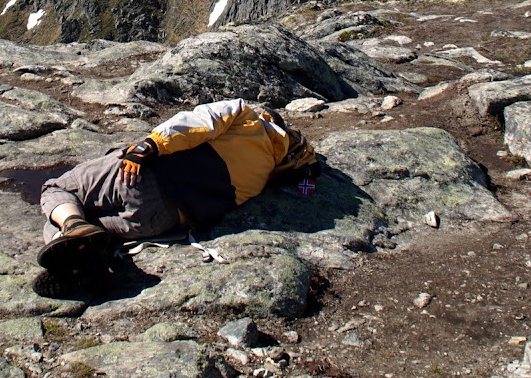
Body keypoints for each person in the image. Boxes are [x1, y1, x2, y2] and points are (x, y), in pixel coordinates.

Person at [34, 97, 319, 296]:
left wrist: (150, 145)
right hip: (159, 222)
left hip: (141, 178)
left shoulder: (246, 117)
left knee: (57, 191)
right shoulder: (259, 180)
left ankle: (73, 238)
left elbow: (196, 123)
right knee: (81, 227)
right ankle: (81, 258)